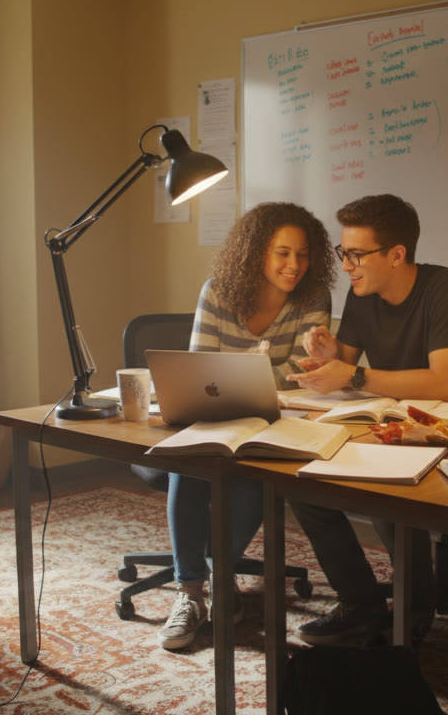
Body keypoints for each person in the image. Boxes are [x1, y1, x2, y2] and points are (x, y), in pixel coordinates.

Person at [286, 193, 448, 647]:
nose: (347, 265)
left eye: (356, 254)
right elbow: (348, 368)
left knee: (382, 484)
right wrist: (326, 358)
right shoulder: (362, 294)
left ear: (396, 255)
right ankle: (361, 601)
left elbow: (445, 383)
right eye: (343, 252)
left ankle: (414, 607)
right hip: (388, 422)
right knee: (303, 485)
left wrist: (351, 372)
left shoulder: (446, 288)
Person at [158, 201, 336, 650]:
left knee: (258, 476)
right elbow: (201, 368)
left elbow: (302, 373)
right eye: (281, 253)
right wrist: (255, 372)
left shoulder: (312, 298)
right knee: (188, 465)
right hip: (212, 415)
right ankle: (190, 591)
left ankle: (223, 576)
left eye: (302, 254)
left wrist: (305, 363)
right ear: (257, 251)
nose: (293, 265)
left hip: (272, 421)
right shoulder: (218, 292)